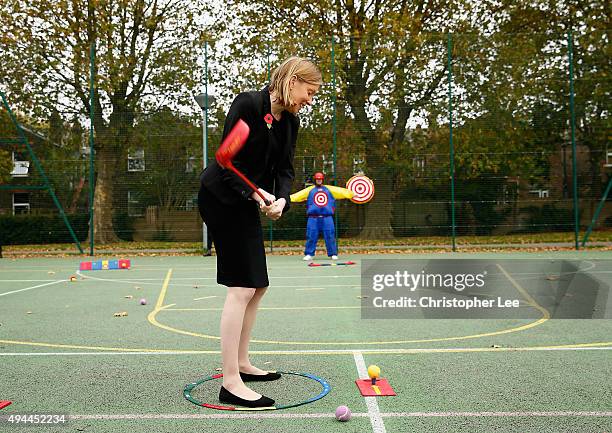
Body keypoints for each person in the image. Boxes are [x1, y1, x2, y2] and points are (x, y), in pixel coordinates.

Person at [198, 57, 321, 408]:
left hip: (245, 202)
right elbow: (227, 162)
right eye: (308, 91)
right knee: (242, 287)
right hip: (221, 198)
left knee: (258, 285)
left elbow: (285, 169)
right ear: (292, 80)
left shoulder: (289, 123)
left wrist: (281, 198)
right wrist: (256, 193)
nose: (309, 99)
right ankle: (231, 382)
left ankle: (241, 362)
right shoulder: (248, 104)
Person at [290, 172, 354, 261]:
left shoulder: (329, 189)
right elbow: (298, 195)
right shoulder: (310, 190)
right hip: (313, 217)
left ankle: (333, 253)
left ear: (322, 180)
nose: (319, 180)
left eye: (320, 179)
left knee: (330, 235)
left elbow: (341, 192)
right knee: (311, 235)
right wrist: (287, 199)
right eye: (317, 179)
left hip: (327, 217)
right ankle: (309, 253)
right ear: (315, 180)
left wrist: (353, 194)